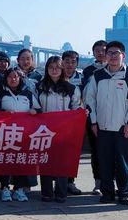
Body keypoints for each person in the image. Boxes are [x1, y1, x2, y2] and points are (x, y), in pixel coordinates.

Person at [84, 41, 128, 205]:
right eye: (109, 53)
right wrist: (93, 122)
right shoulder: (98, 75)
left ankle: (124, 192)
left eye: (116, 53)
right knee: (105, 161)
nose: (112, 56)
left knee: (123, 161)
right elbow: (90, 100)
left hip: (122, 127)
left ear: (123, 55)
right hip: (102, 126)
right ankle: (107, 192)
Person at [36, 56, 81, 203]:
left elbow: (76, 108)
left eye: (57, 68)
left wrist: (80, 114)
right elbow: (35, 106)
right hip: (44, 130)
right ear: (47, 69)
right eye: (51, 67)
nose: (54, 70)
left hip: (64, 131)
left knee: (62, 162)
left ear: (62, 69)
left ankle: (61, 192)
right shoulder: (39, 87)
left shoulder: (71, 88)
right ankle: (46, 192)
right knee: (45, 160)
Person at [0, 67, 41, 202]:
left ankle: (19, 188)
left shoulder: (28, 94)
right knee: (5, 161)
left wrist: (34, 112)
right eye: (10, 76)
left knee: (21, 161)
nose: (13, 79)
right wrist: (3, 113)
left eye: (16, 76)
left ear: (20, 78)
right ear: (6, 78)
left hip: (23, 133)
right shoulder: (0, 94)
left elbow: (39, 110)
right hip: (5, 132)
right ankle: (5, 188)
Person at [81, 40, 107, 195]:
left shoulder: (117, 69)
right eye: (97, 50)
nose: (101, 53)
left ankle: (111, 182)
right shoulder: (88, 71)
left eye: (104, 50)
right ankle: (98, 181)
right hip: (92, 116)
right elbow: (85, 94)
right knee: (96, 151)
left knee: (113, 152)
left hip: (112, 116)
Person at [60, 50, 84, 195]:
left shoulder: (83, 78)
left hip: (74, 122)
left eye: (73, 62)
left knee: (72, 154)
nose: (70, 65)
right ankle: (55, 183)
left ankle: (70, 182)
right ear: (62, 62)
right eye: (67, 61)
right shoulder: (55, 76)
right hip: (56, 122)